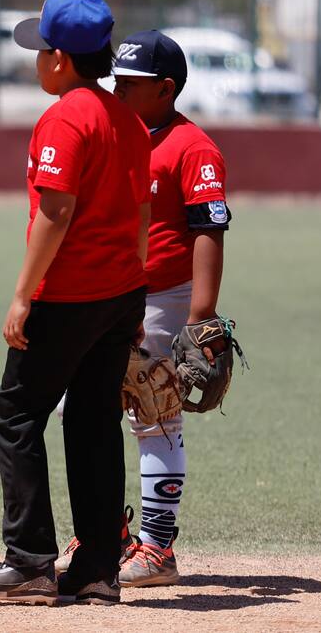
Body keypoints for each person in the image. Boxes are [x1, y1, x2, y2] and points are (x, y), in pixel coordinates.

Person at [0, 0, 151, 606]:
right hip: (119, 292)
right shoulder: (126, 117)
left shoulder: (66, 116)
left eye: (40, 51)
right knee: (95, 424)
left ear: (61, 59)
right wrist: (136, 296)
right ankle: (96, 568)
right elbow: (142, 214)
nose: (35, 61)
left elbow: (57, 210)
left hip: (67, 294)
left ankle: (30, 563)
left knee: (16, 416)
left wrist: (23, 295)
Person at [55, 30, 232, 587]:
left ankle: (157, 548)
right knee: (82, 407)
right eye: (117, 80)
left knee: (153, 411)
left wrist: (201, 313)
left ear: (166, 88)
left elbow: (208, 228)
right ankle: (105, 529)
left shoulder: (191, 146)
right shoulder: (117, 134)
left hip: (164, 295)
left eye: (132, 83)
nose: (120, 90)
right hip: (108, 293)